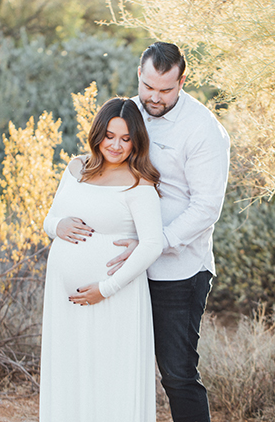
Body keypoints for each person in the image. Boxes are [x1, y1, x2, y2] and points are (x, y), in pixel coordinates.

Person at [108, 42, 230, 422]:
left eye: (165, 89)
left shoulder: (203, 129)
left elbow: (206, 207)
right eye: (148, 86)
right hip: (124, 266)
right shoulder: (129, 112)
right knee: (124, 367)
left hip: (178, 272)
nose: (154, 97)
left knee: (177, 375)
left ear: (182, 81)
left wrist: (152, 244)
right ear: (139, 74)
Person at [39, 97, 163, 422]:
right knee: (69, 371)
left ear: (136, 141)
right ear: (98, 134)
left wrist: (105, 289)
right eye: (109, 136)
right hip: (64, 301)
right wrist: (57, 226)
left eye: (125, 138)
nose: (116, 146)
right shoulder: (76, 168)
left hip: (114, 297)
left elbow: (152, 244)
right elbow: (50, 220)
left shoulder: (139, 183)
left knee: (110, 375)